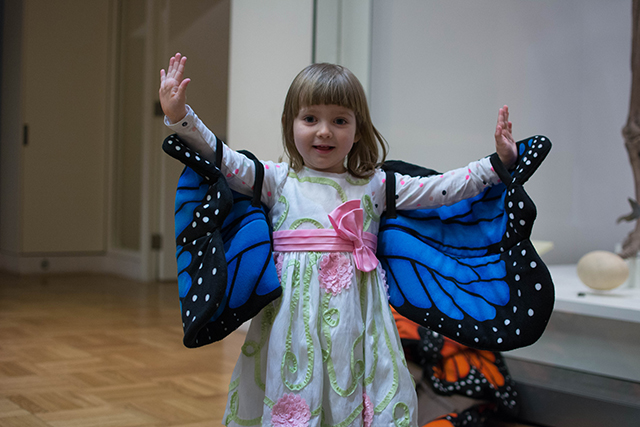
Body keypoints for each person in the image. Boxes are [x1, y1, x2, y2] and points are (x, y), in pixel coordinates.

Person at [159, 52, 517, 427]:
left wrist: (497, 164)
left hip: (359, 319)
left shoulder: (376, 185)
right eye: (310, 118)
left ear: (358, 129)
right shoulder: (275, 180)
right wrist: (182, 117)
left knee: (357, 381)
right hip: (290, 320)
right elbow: (221, 158)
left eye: (339, 120)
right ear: (290, 124)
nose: (324, 131)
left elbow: (442, 189)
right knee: (294, 386)